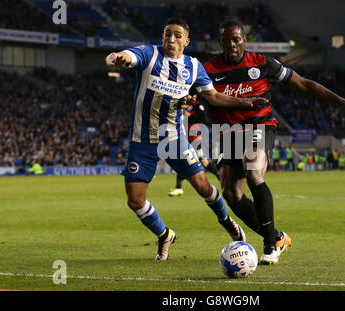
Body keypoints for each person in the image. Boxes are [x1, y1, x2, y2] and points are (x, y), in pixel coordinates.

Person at [199, 19, 345, 265]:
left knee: (254, 170)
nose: (232, 44)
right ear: (220, 42)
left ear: (244, 40)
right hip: (228, 132)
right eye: (226, 40)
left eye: (236, 39)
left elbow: (304, 84)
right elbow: (194, 94)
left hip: (259, 126)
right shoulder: (208, 69)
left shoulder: (263, 64)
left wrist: (340, 101)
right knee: (232, 194)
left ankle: (270, 246)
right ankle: (277, 237)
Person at [105, 17, 269, 261]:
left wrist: (245, 102)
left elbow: (213, 96)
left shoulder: (193, 66)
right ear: (162, 37)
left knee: (203, 187)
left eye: (177, 35)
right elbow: (126, 56)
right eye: (167, 33)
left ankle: (226, 220)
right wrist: (116, 58)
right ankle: (165, 235)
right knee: (135, 201)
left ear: (186, 41)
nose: (171, 38)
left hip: (173, 138)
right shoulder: (149, 54)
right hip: (142, 140)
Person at [168, 99, 220, 197]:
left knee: (204, 162)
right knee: (183, 160)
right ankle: (178, 188)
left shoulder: (197, 105)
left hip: (195, 137)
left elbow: (204, 119)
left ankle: (220, 177)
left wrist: (190, 116)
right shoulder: (182, 105)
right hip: (184, 137)